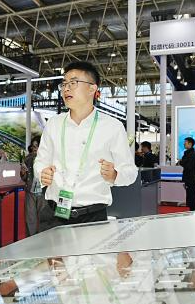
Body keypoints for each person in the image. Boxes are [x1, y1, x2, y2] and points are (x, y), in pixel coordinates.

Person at [34, 61, 137, 231]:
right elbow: (40, 161)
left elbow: (130, 172)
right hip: (55, 214)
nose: (66, 89)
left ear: (92, 89)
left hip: (93, 217)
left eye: (73, 83)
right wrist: (42, 172)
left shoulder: (112, 126)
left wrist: (114, 175)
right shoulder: (53, 124)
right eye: (64, 84)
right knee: (51, 250)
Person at [21, 137, 42, 236]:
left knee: (43, 217)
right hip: (30, 191)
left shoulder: (47, 159)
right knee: (30, 218)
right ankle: (31, 239)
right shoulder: (28, 158)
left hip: (43, 192)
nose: (35, 148)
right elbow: (24, 178)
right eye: (33, 146)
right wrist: (23, 173)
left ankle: (44, 239)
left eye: (37, 146)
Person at [178, 137, 195, 212]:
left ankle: (193, 212)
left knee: (191, 197)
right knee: (190, 197)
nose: (184, 144)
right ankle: (192, 212)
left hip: (191, 179)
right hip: (189, 178)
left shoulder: (191, 154)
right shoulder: (188, 153)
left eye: (185, 142)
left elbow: (189, 166)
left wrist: (181, 162)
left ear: (190, 144)